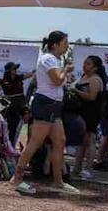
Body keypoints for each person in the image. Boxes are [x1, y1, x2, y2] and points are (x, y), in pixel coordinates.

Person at [8, 31, 79, 195]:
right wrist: (67, 69)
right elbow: (56, 80)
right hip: (45, 103)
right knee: (35, 142)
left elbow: (58, 82)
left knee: (60, 141)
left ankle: (58, 182)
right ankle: (16, 178)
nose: (67, 46)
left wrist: (66, 74)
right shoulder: (48, 59)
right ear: (55, 45)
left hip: (54, 105)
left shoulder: (55, 60)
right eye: (65, 43)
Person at [70, 55, 106, 180]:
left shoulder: (95, 79)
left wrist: (76, 91)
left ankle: (89, 169)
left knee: (90, 140)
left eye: (88, 64)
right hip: (81, 112)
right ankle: (77, 167)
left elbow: (92, 97)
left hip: (91, 113)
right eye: (84, 63)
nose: (85, 66)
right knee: (81, 141)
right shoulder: (84, 77)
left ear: (95, 68)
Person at [0, 61, 34, 146]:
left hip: (21, 103)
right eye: (14, 69)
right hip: (10, 105)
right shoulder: (2, 80)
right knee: (11, 125)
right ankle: (9, 145)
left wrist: (35, 72)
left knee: (30, 119)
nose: (16, 70)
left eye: (15, 68)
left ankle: (29, 143)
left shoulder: (18, 77)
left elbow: (29, 75)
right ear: (9, 70)